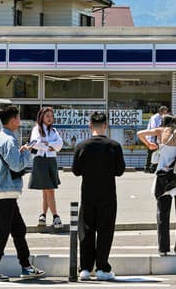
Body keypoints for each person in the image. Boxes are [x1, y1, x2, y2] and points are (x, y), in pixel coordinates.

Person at [0, 104, 45, 281]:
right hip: (5, 189)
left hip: (3, 189)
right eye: (17, 118)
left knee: (18, 229)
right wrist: (28, 153)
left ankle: (25, 265)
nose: (19, 121)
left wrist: (21, 151)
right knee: (2, 231)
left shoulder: (1, 137)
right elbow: (16, 165)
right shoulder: (9, 140)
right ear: (12, 120)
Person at [72, 111, 126, 281]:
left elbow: (76, 171)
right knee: (105, 231)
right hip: (108, 194)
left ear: (90, 125)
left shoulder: (81, 146)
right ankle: (102, 267)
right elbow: (120, 171)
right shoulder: (114, 146)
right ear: (105, 125)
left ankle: (86, 269)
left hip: (88, 194)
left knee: (86, 230)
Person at [137, 115, 176, 256]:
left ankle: (163, 249)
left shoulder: (160, 131)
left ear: (164, 124)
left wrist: (150, 145)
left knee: (162, 215)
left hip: (163, 178)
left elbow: (139, 133)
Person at [29, 106, 64, 229]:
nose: (50, 118)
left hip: (51, 161)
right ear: (42, 117)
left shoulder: (54, 131)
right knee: (49, 189)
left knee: (47, 190)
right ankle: (55, 216)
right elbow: (35, 143)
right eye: (47, 116)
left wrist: (47, 144)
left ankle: (43, 215)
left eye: (51, 116)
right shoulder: (36, 129)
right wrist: (50, 146)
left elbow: (60, 145)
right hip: (40, 161)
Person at [145, 106, 169, 173]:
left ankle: (154, 167)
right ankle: (147, 168)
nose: (166, 112)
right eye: (165, 111)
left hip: (160, 138)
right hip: (152, 137)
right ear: (161, 111)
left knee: (158, 153)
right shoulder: (155, 117)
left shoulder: (163, 117)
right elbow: (153, 127)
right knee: (151, 153)